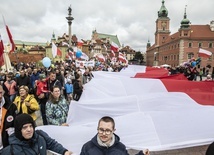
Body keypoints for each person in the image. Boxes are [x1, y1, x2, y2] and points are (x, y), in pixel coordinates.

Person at [1, 113, 73, 155]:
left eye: (31, 126)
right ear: (18, 130)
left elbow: (52, 144)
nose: (29, 130)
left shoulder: (40, 136)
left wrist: (64, 151)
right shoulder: (11, 150)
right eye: (25, 127)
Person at [80, 116, 150, 155]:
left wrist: (142, 154)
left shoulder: (120, 147)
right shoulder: (87, 147)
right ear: (97, 129)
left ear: (113, 130)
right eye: (101, 130)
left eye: (107, 130)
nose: (104, 134)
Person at [0, 85, 17, 152]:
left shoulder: (11, 106)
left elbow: (16, 124)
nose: (0, 96)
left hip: (6, 147)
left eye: (1, 93)